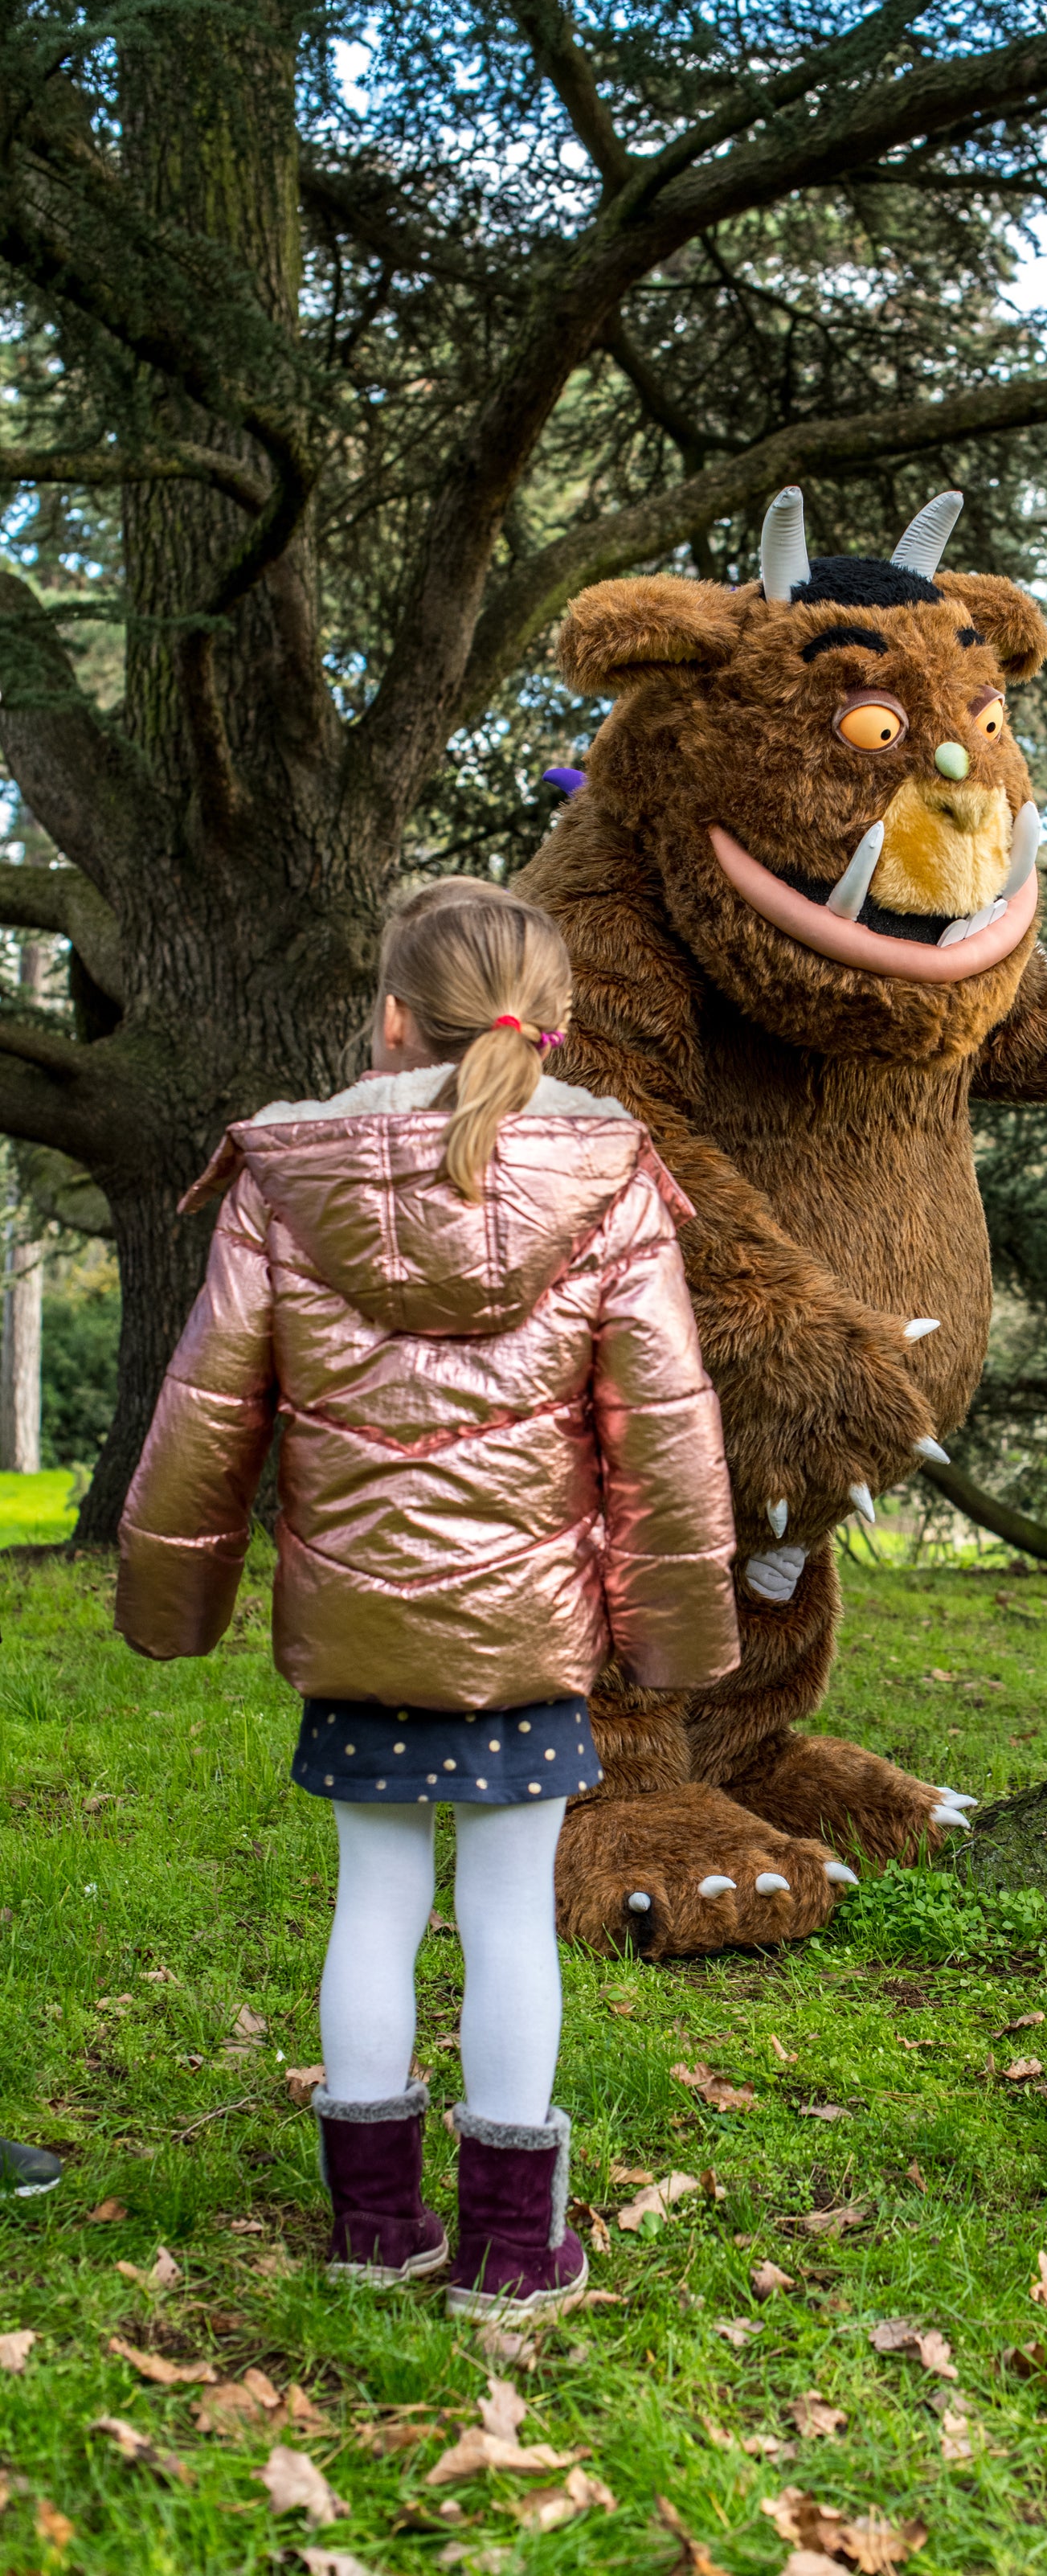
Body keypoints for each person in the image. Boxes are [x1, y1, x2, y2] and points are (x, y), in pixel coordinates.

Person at [115, 879, 739, 2316]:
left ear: (392, 1014)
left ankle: (373, 2232)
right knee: (511, 1914)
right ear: (555, 1029)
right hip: (528, 1634)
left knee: (376, 1899)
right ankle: (514, 2252)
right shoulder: (611, 1177)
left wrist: (172, 1593)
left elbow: (209, 1405)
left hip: (360, 1626)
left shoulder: (286, 1171)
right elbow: (663, 1418)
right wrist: (679, 1631)